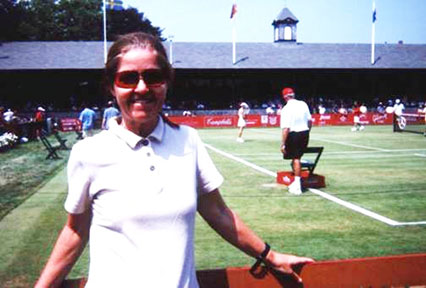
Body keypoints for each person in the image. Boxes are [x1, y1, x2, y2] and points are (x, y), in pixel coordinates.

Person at [35, 32, 313, 288]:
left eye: (153, 77)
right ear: (111, 86)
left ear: (167, 82)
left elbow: (218, 213)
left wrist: (271, 256)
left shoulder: (188, 140)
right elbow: (75, 231)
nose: (142, 88)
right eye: (128, 78)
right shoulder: (89, 153)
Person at [280, 87, 312, 195]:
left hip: (294, 134)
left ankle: (297, 184)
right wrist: (308, 132)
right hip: (305, 132)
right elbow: (309, 121)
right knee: (296, 158)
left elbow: (286, 129)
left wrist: (283, 144)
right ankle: (296, 181)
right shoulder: (303, 104)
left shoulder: (285, 109)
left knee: (296, 158)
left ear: (285, 97)